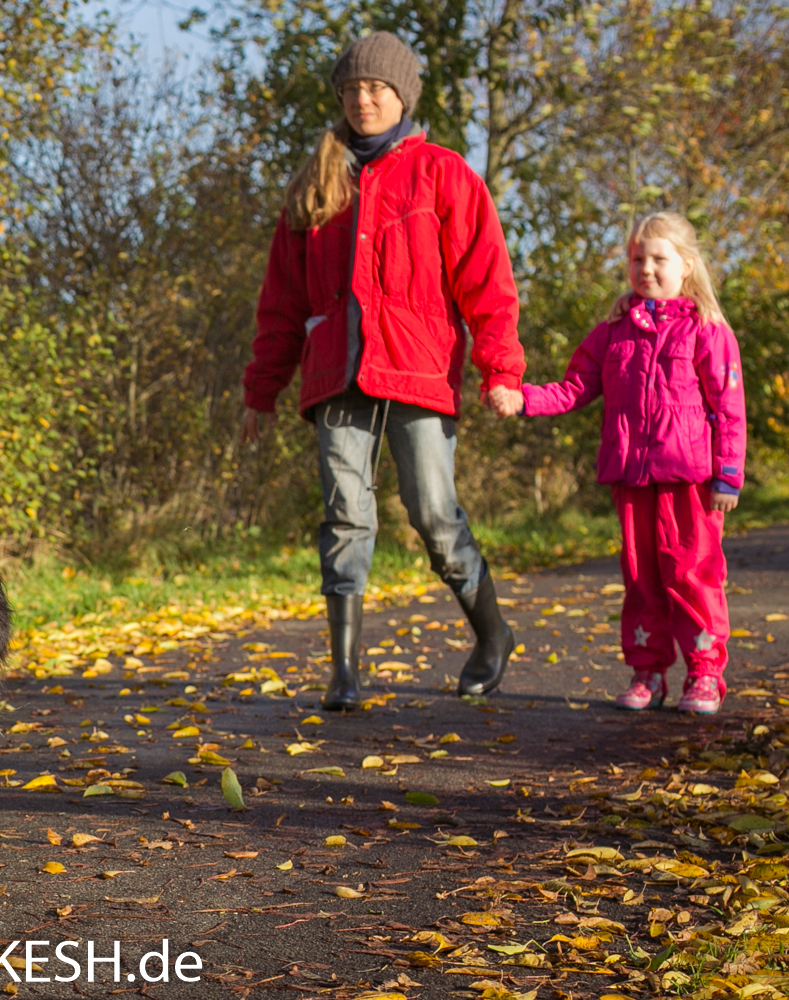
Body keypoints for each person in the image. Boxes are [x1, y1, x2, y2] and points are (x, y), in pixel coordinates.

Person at [242, 32, 527, 712]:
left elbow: (487, 280)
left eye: (377, 88)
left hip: (419, 370)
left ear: (402, 96)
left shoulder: (443, 173)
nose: (364, 99)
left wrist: (501, 370)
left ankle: (492, 636)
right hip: (333, 378)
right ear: (341, 97)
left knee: (432, 513)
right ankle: (345, 670)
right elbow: (281, 300)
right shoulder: (316, 183)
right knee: (345, 515)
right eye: (353, 89)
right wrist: (262, 390)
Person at [490, 211, 745, 715]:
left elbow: (728, 405)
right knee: (640, 577)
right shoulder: (614, 330)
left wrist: (728, 474)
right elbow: (576, 386)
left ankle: (704, 672)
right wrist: (524, 399)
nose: (646, 268)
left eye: (658, 259)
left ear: (686, 266)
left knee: (693, 573)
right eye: (636, 259)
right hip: (631, 476)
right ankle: (647, 670)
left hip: (690, 479)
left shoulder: (706, 329)